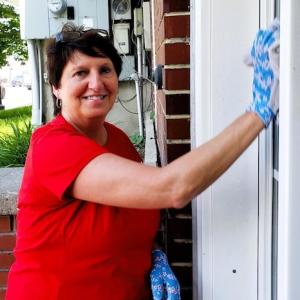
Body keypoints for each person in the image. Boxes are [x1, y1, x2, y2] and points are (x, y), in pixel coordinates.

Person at [6, 20, 279, 300]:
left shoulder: (118, 141)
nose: (96, 82)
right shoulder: (53, 147)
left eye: (105, 70)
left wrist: (153, 252)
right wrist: (257, 113)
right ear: (56, 88)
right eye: (80, 73)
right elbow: (172, 189)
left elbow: (135, 210)